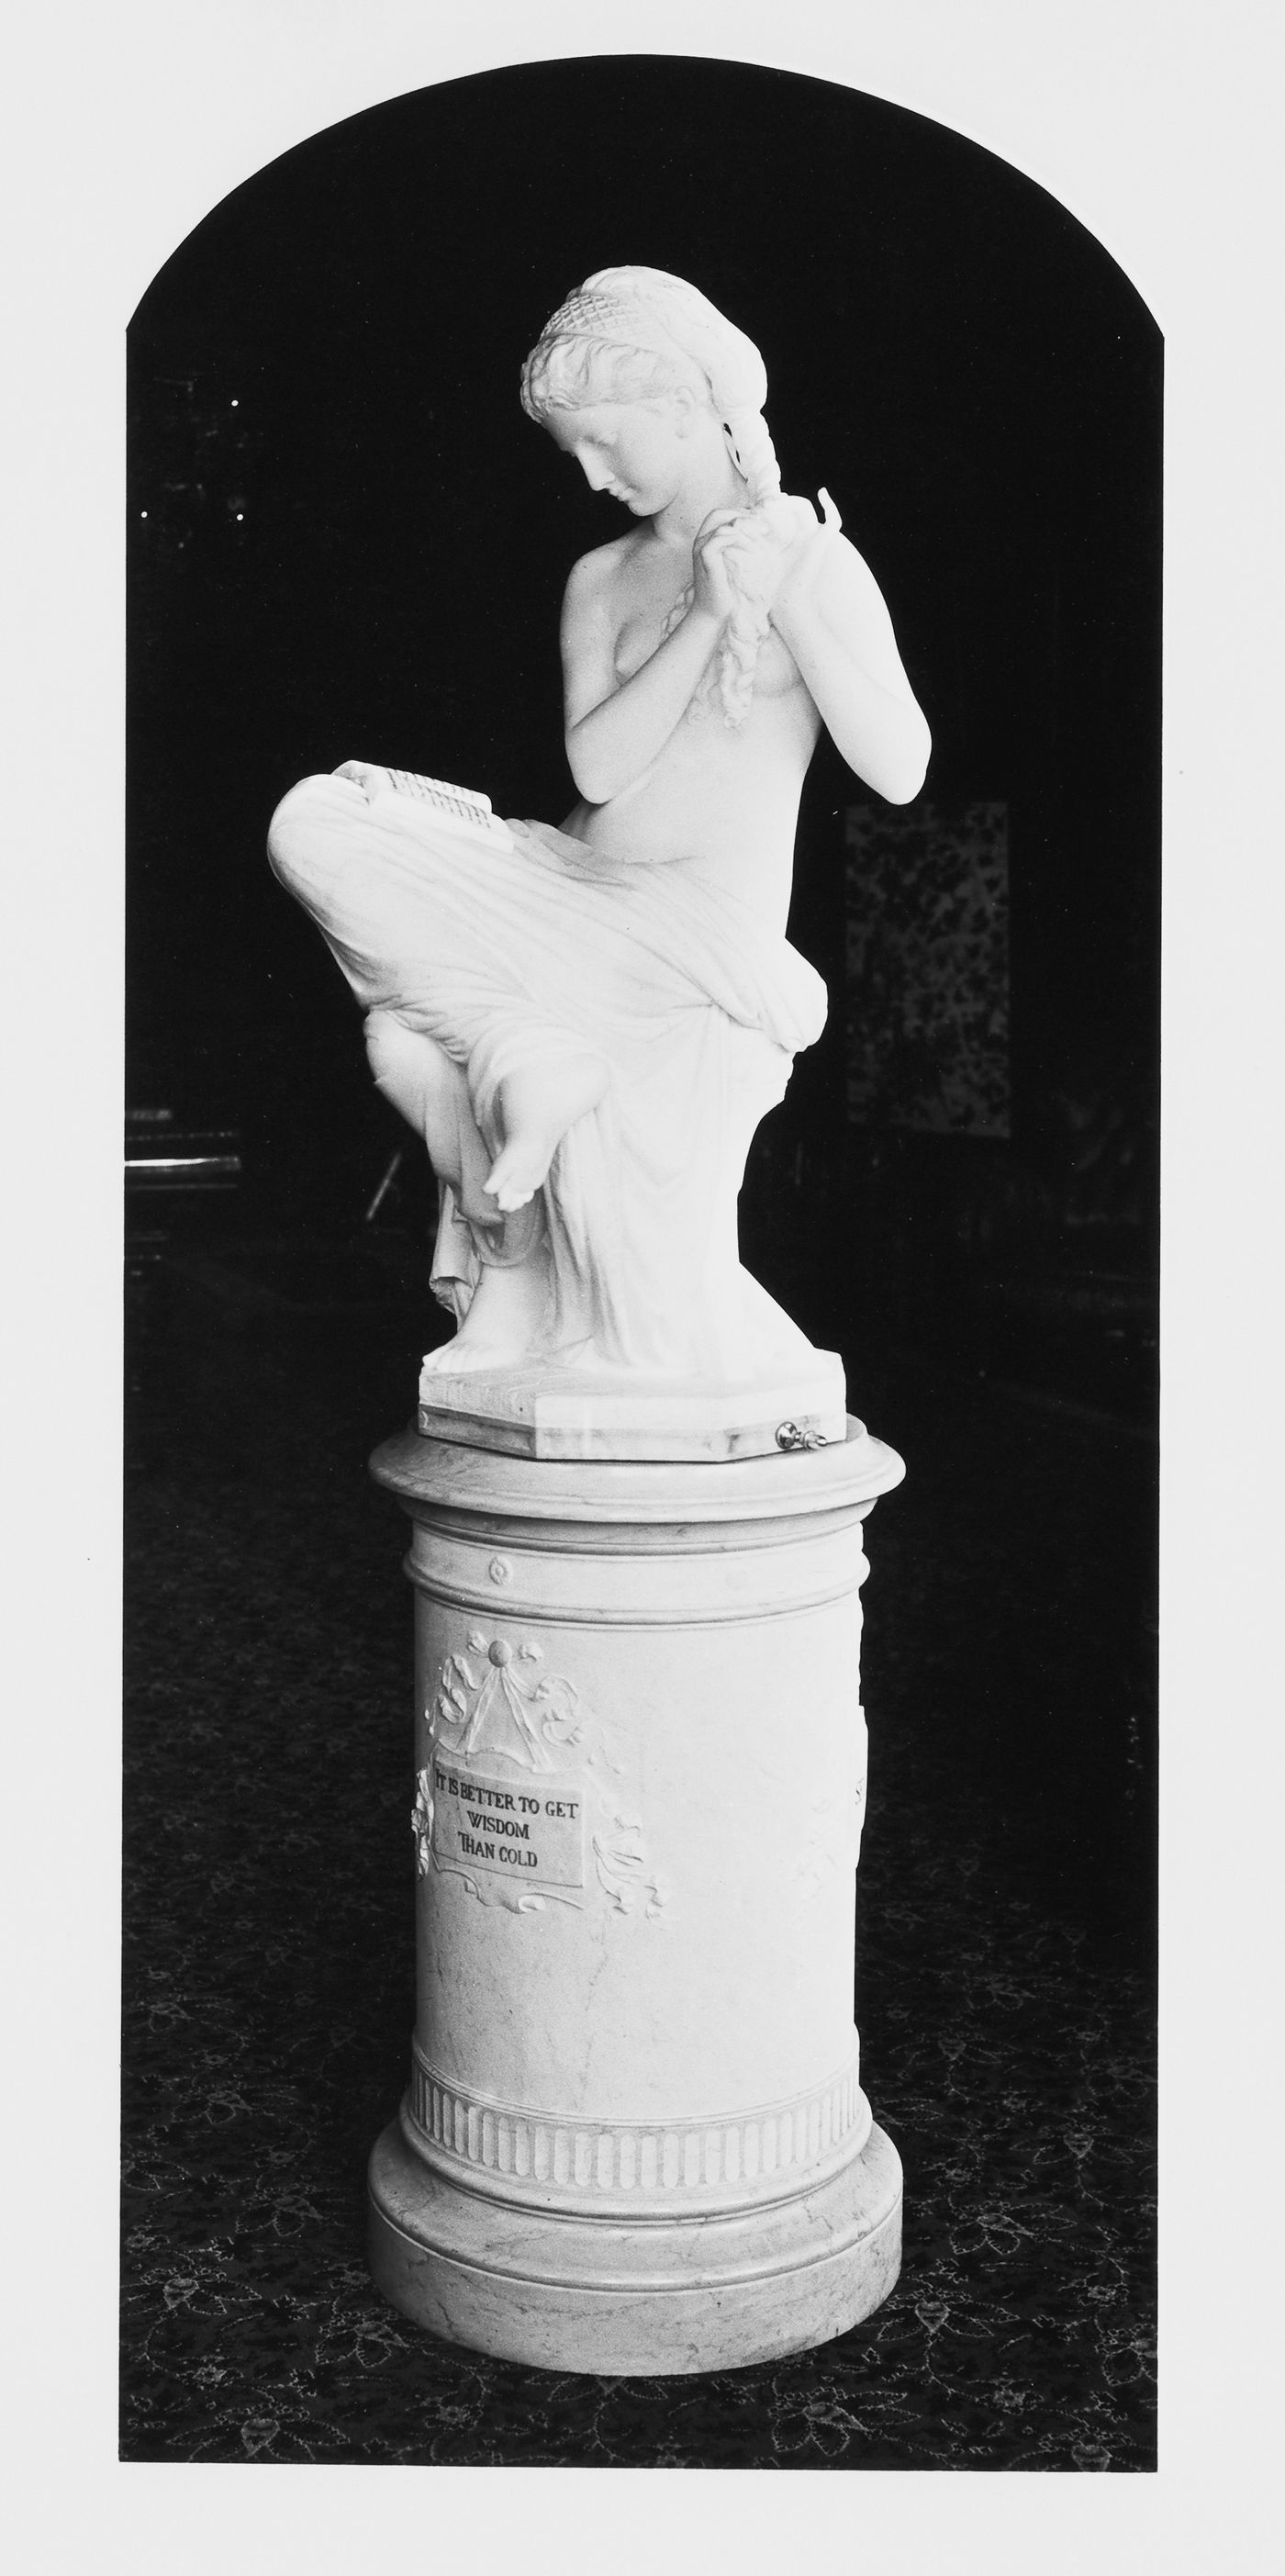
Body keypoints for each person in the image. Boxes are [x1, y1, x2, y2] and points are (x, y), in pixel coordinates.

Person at [268, 265, 930, 1382]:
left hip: (688, 929)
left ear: (679, 406)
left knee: (406, 1036)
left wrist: (786, 599)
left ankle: (528, 1066)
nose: (588, 473)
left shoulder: (812, 555)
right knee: (313, 818)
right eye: (571, 450)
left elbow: (901, 769)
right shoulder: (602, 577)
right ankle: (532, 1062)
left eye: (603, 441)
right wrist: (713, 611)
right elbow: (598, 766)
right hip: (561, 882)